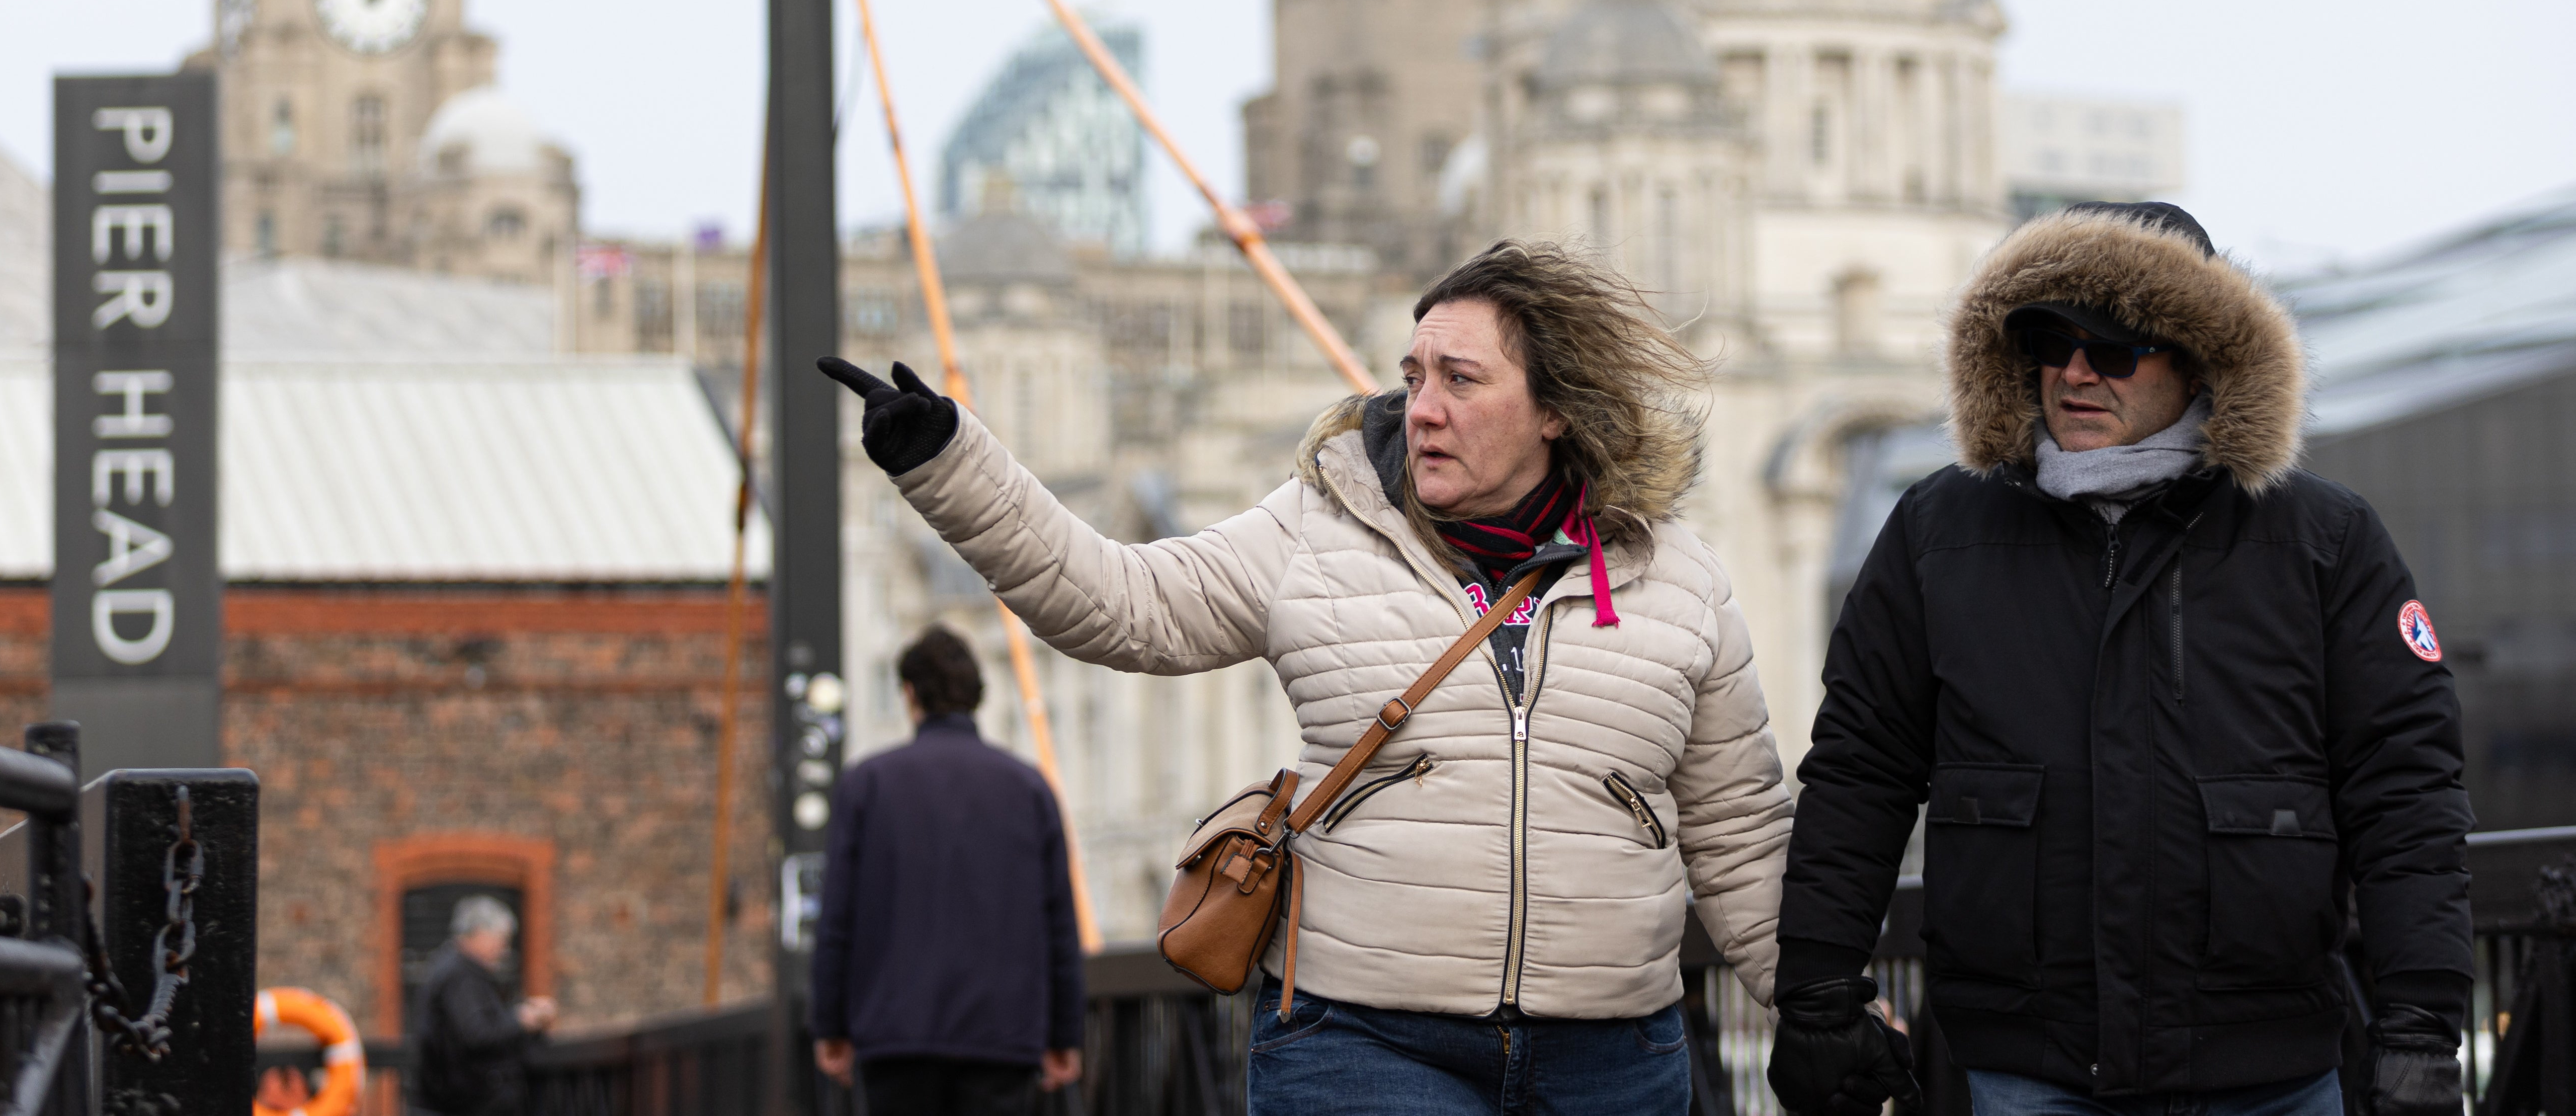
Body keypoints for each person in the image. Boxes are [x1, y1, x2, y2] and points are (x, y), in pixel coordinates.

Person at [821, 240, 1796, 1116]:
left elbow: (1739, 831)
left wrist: (1826, 1006)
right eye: (1414, 376)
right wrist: (952, 464)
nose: (1423, 407)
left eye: (1461, 378)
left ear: (1554, 407)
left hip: (1617, 1054)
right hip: (1366, 1045)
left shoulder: (1678, 575)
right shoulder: (1318, 529)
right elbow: (1126, 601)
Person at [1766, 201, 2473, 1116]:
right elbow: (1860, 770)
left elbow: (2406, 786)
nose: (2073, 372)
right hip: (2029, 1066)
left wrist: (2421, 1022)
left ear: (2195, 356)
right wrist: (1819, 988)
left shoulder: (2322, 537)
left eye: (2114, 346)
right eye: (2051, 342)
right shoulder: (1939, 531)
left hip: (2269, 1070)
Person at [809, 625, 1086, 1116]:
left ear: (910, 692)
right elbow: (1059, 924)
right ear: (976, 694)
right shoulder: (1029, 789)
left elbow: (837, 920)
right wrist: (1064, 1033)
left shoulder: (867, 785)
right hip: (1003, 1033)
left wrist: (830, 1025)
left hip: (895, 1032)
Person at [408, 895, 556, 1116]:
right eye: (501, 938)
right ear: (479, 933)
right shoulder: (460, 976)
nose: (504, 948)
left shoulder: (453, 969)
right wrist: (523, 1019)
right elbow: (478, 1033)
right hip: (463, 1105)